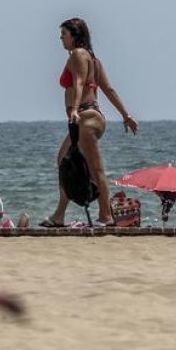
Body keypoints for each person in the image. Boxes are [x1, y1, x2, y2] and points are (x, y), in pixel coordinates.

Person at [41, 17, 139, 227]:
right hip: (92, 118)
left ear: (75, 36)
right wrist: (125, 115)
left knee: (95, 169)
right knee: (66, 162)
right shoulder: (94, 60)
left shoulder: (78, 54)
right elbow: (109, 90)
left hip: (86, 117)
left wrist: (74, 109)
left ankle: (106, 215)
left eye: (64, 35)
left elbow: (78, 83)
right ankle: (60, 214)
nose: (61, 39)